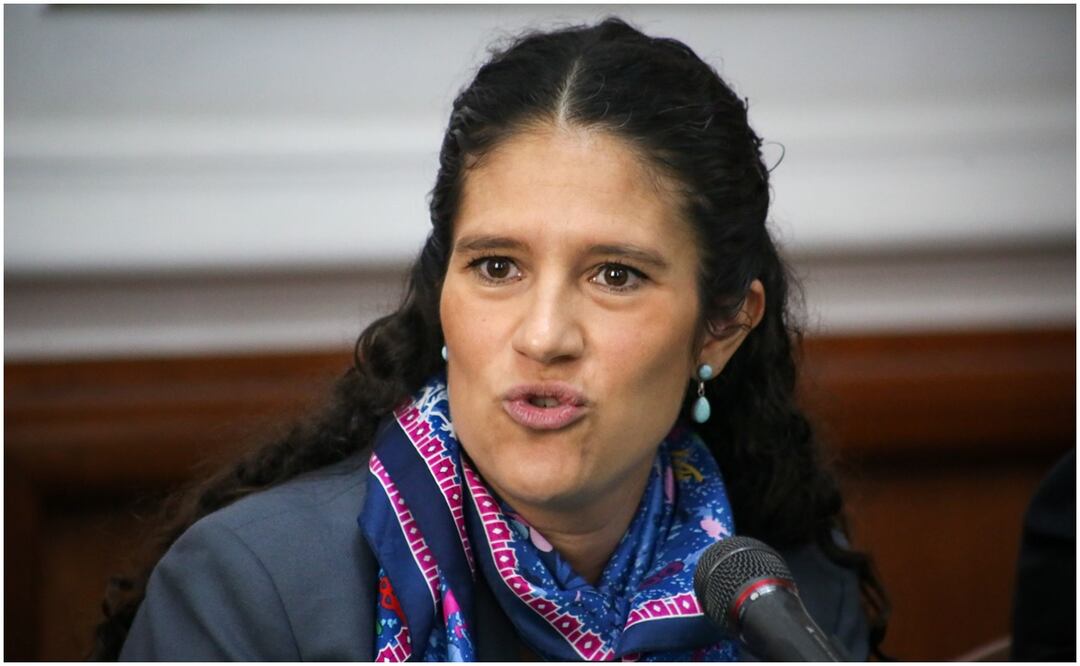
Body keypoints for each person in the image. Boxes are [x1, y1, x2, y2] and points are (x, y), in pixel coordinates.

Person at [93, 17, 888, 661]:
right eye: (498, 266)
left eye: (615, 275)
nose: (543, 337)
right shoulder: (255, 589)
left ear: (721, 329)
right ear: (442, 294)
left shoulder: (783, 604)